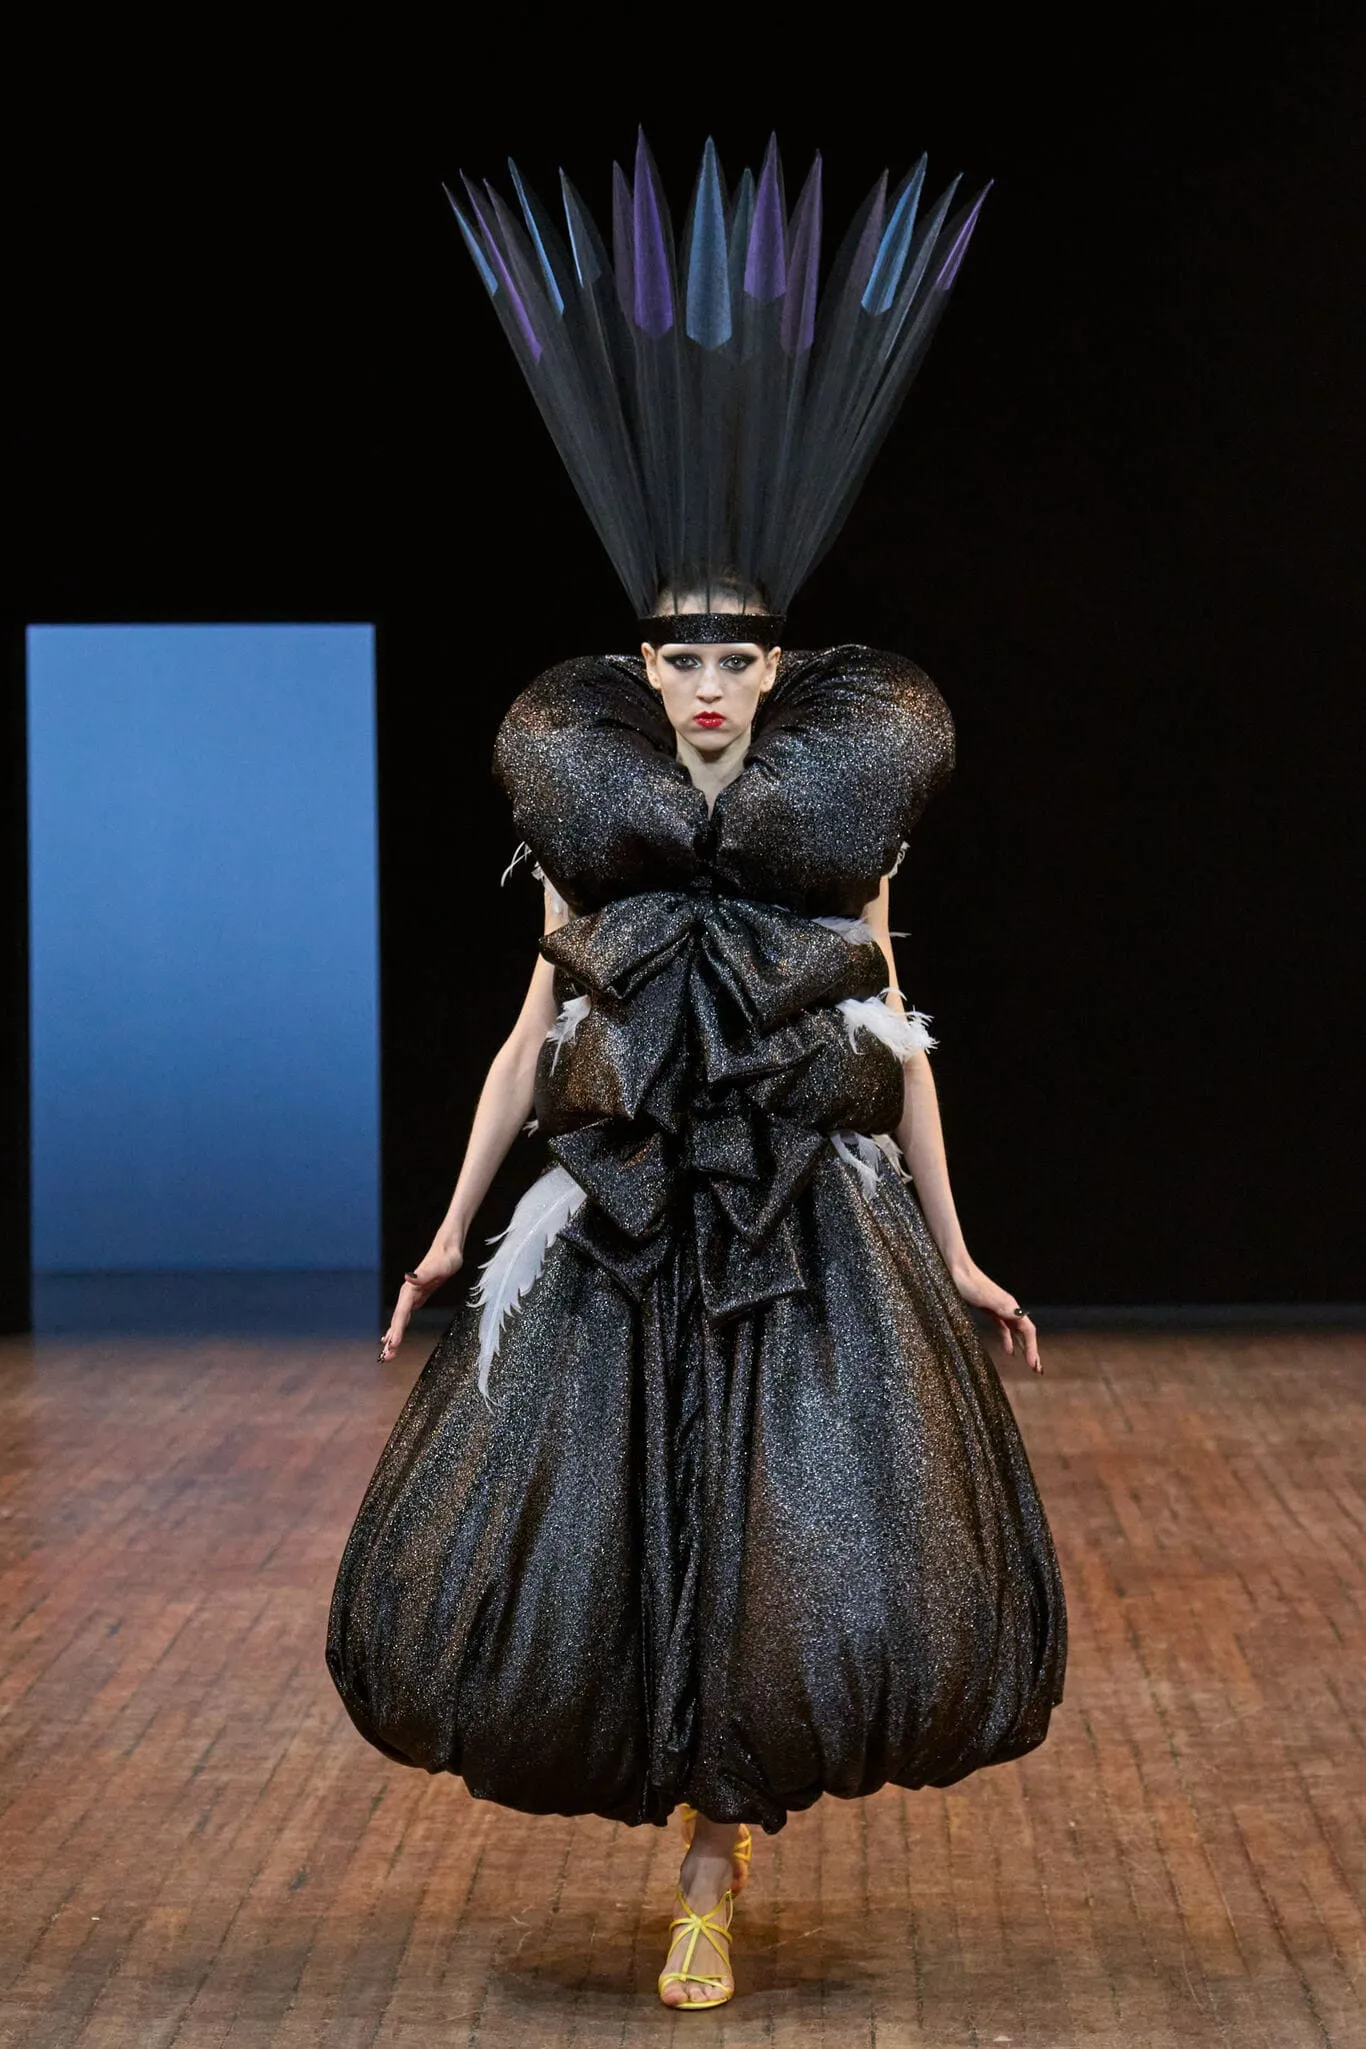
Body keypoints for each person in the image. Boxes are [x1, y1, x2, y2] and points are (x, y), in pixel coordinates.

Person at [327, 135, 1066, 2013]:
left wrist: (959, 1249)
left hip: (806, 1217)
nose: (710, 684)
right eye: (682, 660)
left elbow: (892, 1030)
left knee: (771, 1530)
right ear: (642, 673)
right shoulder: (592, 822)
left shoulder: (841, 822)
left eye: (737, 658)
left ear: (780, 669)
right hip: (622, 1213)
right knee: (625, 1533)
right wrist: (448, 1231)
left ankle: (708, 1871)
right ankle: (689, 1849)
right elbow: (530, 1034)